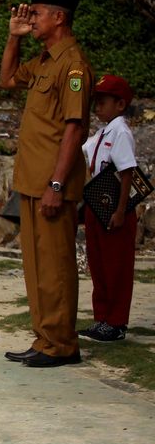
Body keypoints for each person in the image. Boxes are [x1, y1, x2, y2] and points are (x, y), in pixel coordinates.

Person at [0, 0, 93, 368]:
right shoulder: (45, 60)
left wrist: (57, 183)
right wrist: (13, 39)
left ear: (59, 17)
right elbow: (7, 80)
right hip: (32, 181)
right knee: (37, 267)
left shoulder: (73, 66)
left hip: (53, 183)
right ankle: (44, 338)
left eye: (36, 13)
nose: (29, 18)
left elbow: (74, 128)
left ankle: (63, 344)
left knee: (56, 266)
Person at [78, 74, 139, 343]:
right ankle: (101, 317)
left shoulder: (121, 132)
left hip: (115, 206)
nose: (97, 107)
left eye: (103, 102)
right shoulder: (102, 133)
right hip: (97, 204)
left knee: (116, 267)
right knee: (99, 264)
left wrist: (121, 210)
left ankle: (116, 322)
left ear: (120, 104)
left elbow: (127, 172)